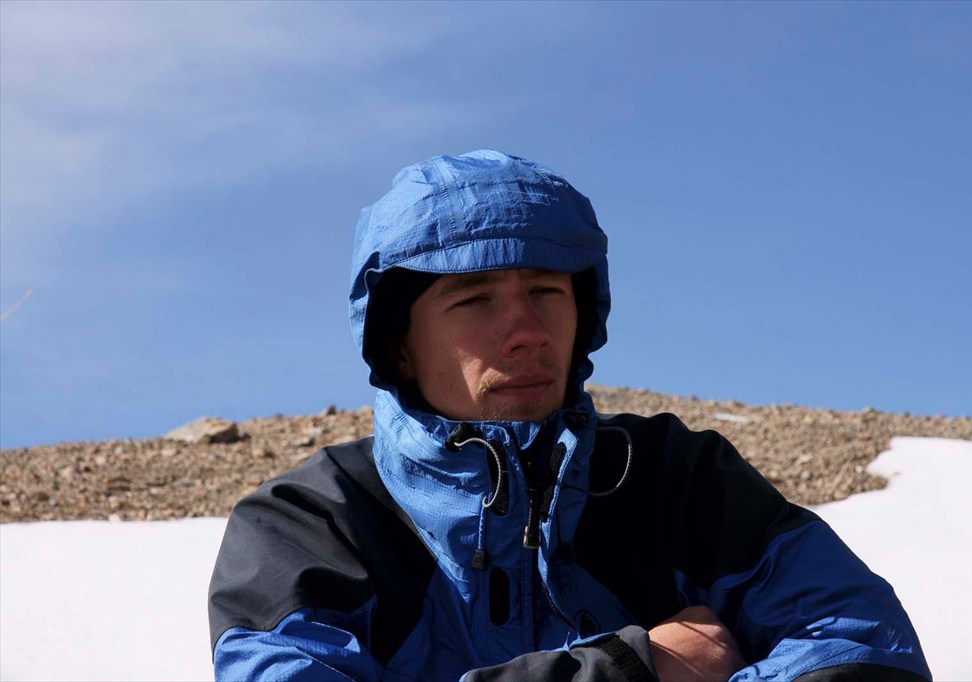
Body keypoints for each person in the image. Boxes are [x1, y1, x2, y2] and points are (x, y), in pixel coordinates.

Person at [208, 150, 930, 681]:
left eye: (548, 292)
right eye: (474, 299)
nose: (527, 332)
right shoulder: (313, 521)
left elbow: (866, 652)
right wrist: (632, 670)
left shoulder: (680, 476)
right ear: (397, 343)